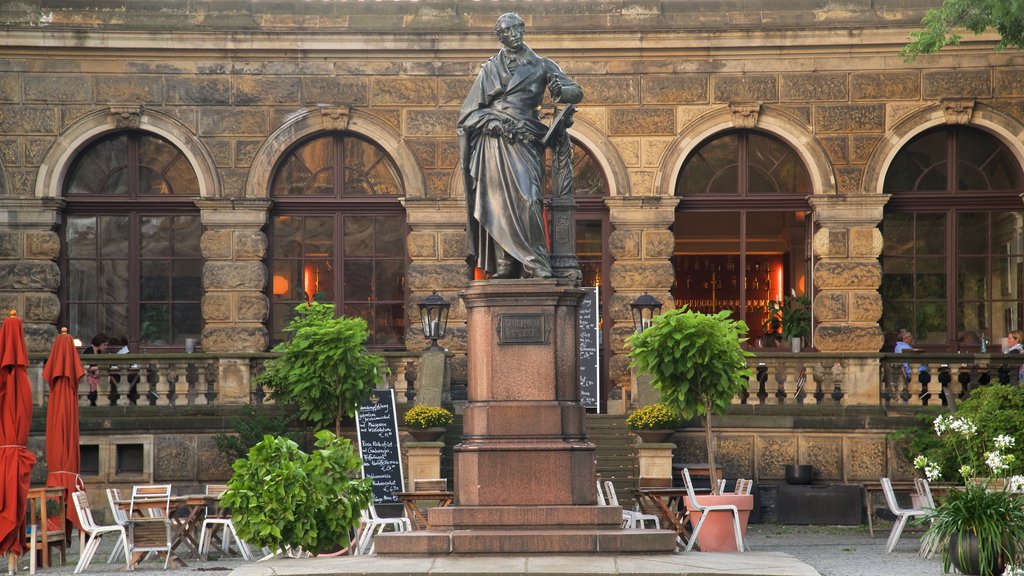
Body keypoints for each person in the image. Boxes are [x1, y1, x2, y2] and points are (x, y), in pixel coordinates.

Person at [459, 12, 584, 279]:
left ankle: (535, 262)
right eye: (507, 32)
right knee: (497, 202)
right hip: (493, 142)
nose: (513, 35)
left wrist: (562, 91)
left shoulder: (541, 64)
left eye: (517, 30)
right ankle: (506, 264)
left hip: (526, 137)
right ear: (500, 36)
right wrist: (489, 122)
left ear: (523, 30)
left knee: (529, 199)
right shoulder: (490, 69)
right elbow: (468, 114)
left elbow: (576, 90)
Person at [81, 333, 109, 406]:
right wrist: (100, 366)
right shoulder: (88, 351)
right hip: (87, 377)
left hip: (95, 376)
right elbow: (86, 366)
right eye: (104, 345)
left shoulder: (98, 352)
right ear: (99, 343)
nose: (105, 347)